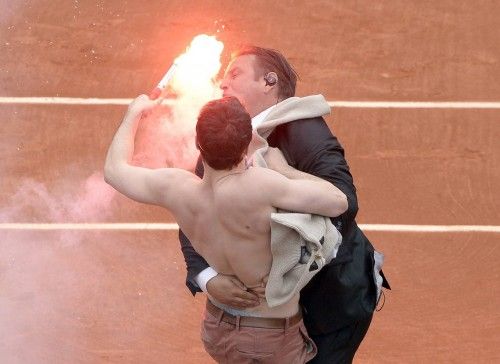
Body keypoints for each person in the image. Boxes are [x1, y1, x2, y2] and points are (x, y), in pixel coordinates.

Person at [179, 46, 390, 363]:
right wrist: (208, 277)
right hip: (271, 318)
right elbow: (195, 212)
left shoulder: (306, 132)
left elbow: (344, 202)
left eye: (234, 74)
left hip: (332, 301)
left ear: (269, 82)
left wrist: (284, 176)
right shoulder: (224, 139)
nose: (222, 84)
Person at [104, 95, 349, 363]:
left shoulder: (175, 187)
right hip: (268, 337)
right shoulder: (262, 184)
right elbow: (338, 201)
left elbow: (114, 171)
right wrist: (282, 169)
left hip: (217, 329)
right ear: (246, 144)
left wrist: (134, 113)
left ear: (199, 144)